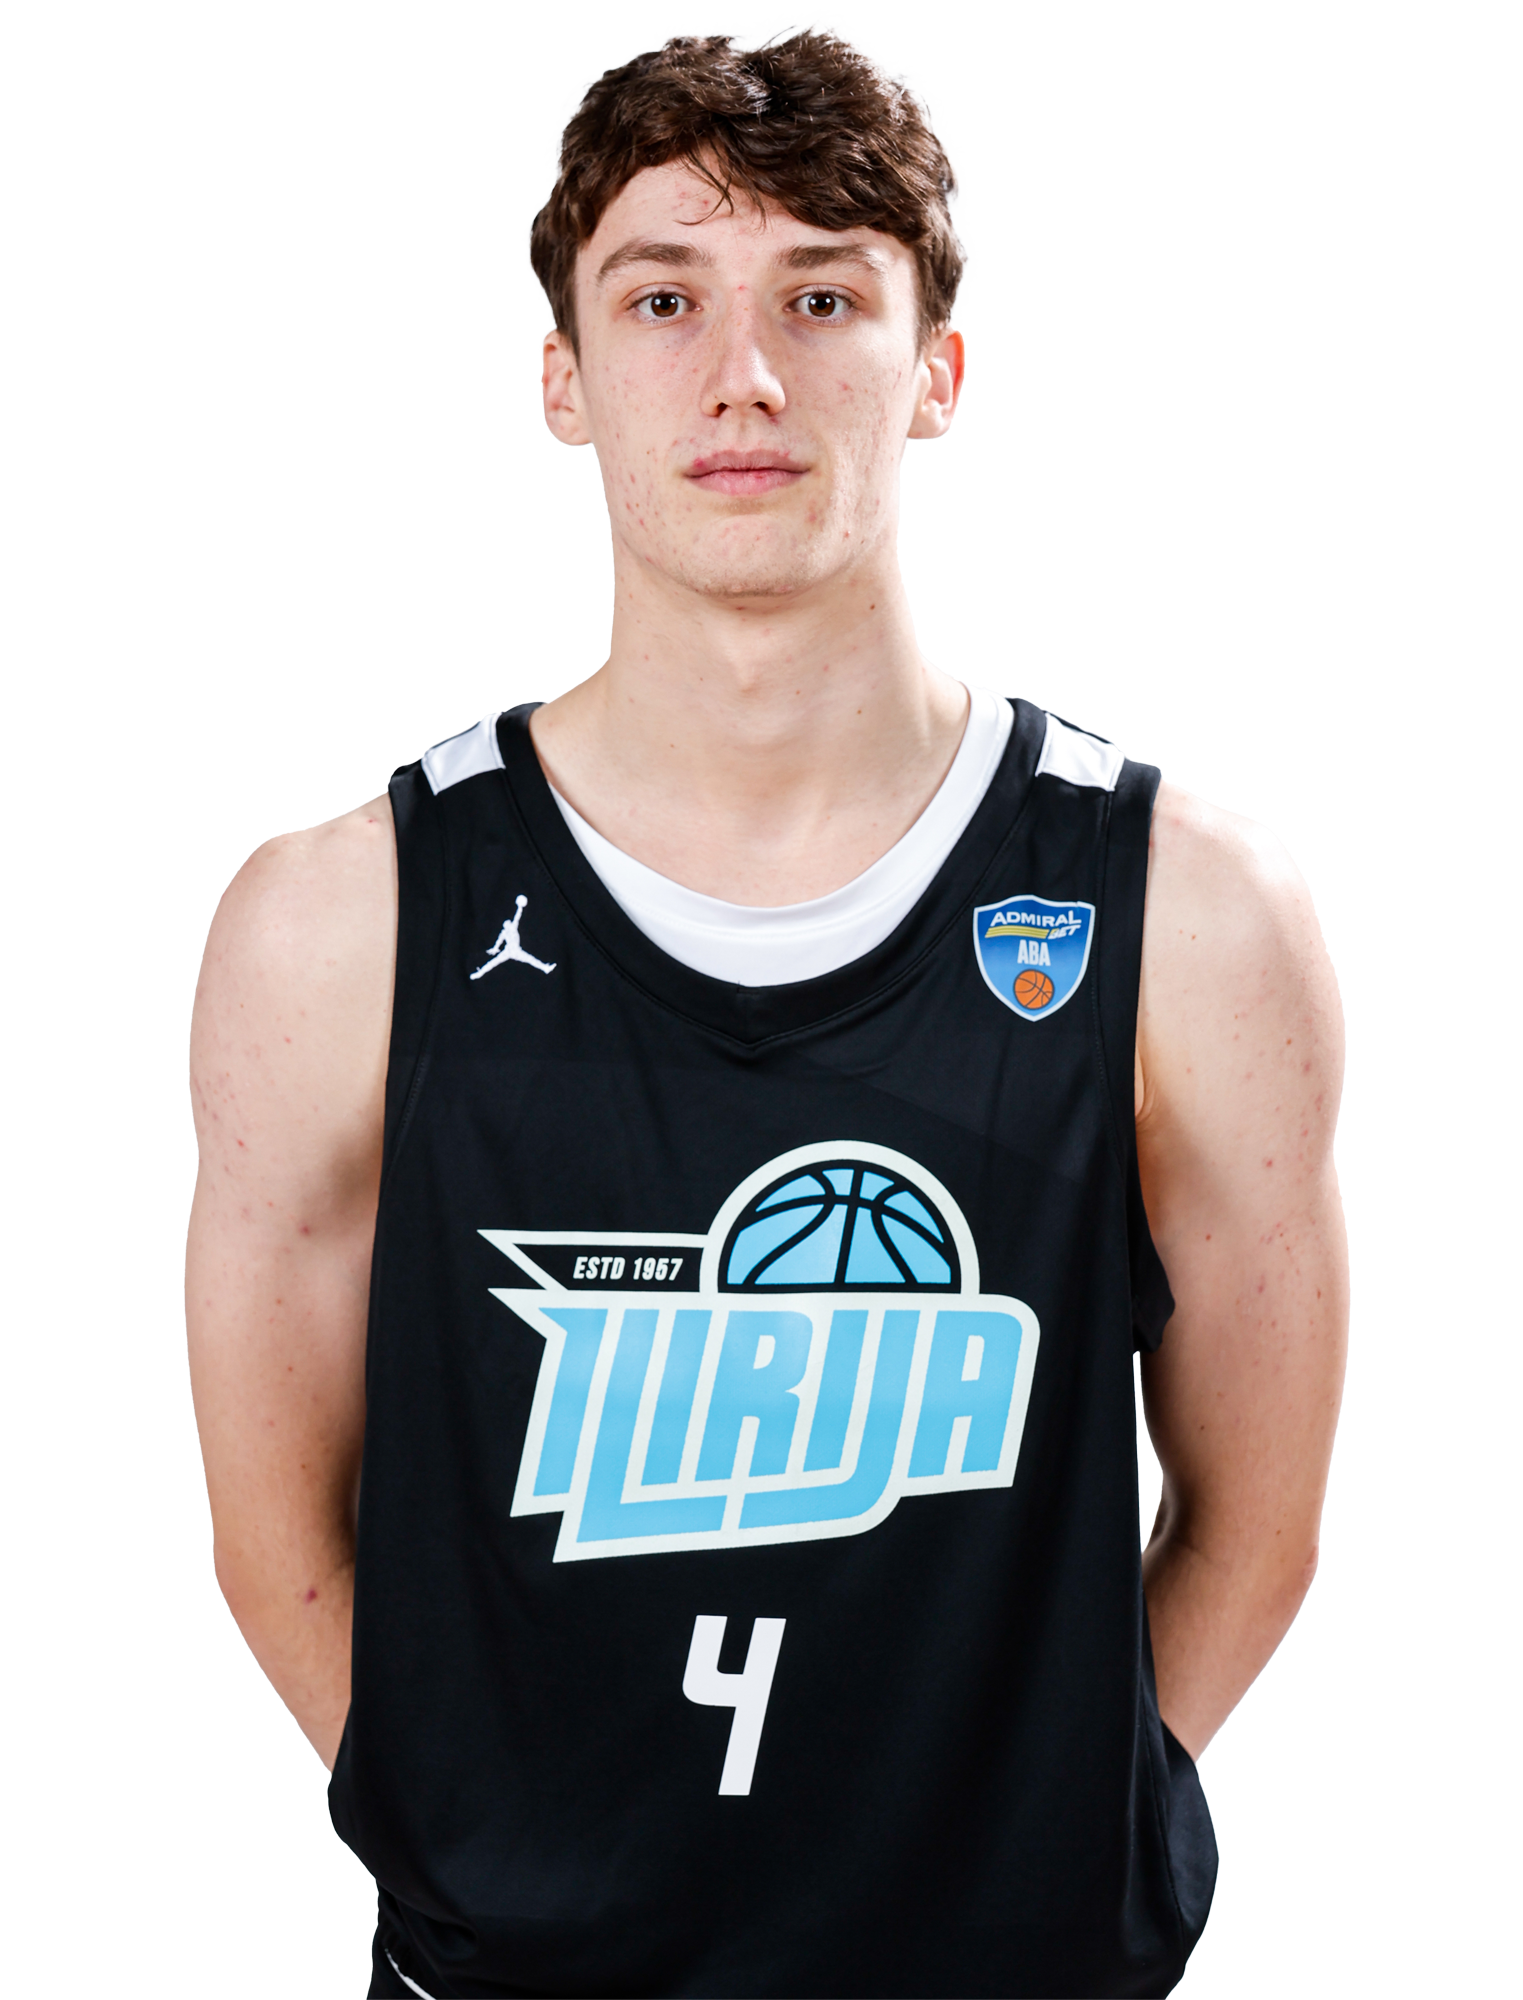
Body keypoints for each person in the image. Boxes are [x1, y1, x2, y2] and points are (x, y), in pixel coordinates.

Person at [187, 25, 1347, 2000]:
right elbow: (273, 1531)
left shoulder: (1190, 918)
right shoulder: (336, 926)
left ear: (936, 368)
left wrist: (1023, 1843)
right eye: (664, 301)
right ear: (563, 376)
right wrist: (495, 1862)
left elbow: (1258, 1522)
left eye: (823, 298)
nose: (746, 375)